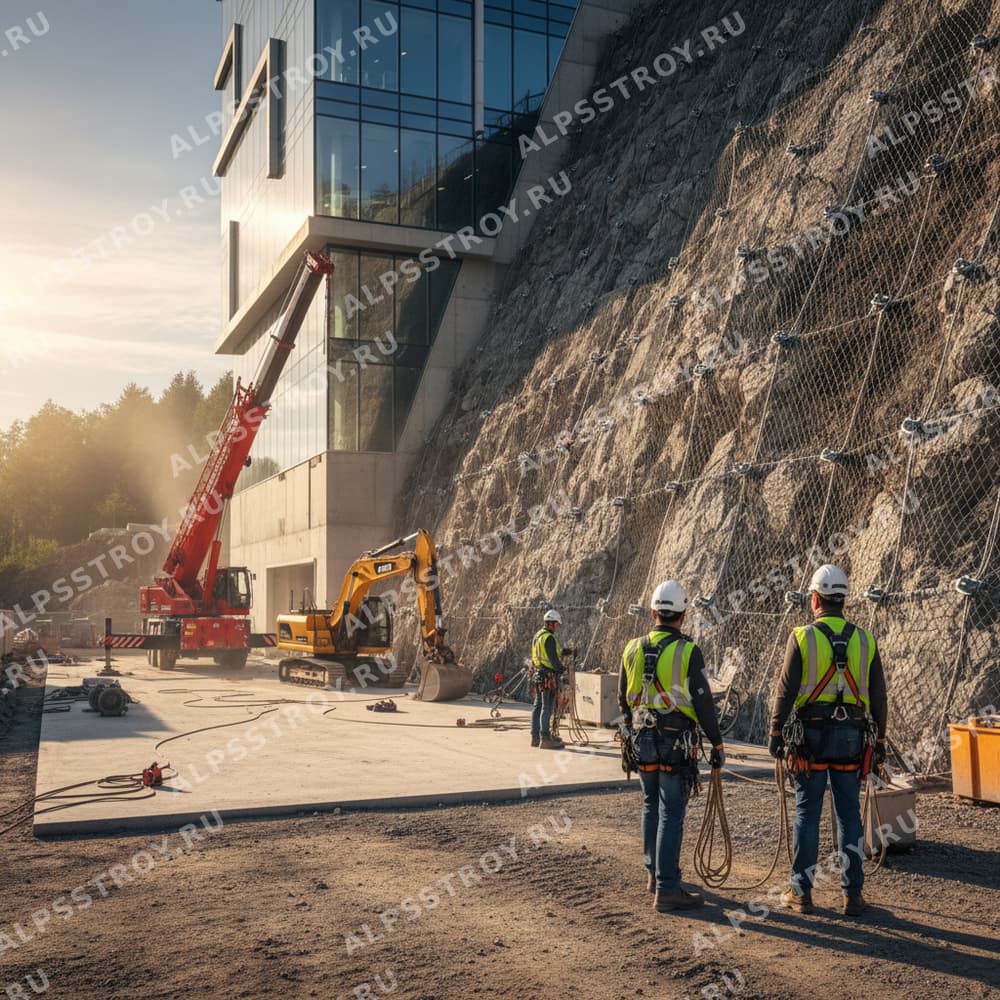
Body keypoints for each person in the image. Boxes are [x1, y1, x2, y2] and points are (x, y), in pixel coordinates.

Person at [768, 564, 888, 917]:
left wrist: (776, 734)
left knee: (807, 811)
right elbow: (879, 695)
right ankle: (853, 895)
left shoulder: (802, 637)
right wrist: (879, 740)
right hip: (852, 736)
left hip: (810, 737)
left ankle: (801, 894)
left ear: (815, 598)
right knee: (849, 814)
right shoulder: (865, 640)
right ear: (843, 600)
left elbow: (786, 691)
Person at [619, 580, 724, 911]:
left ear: (653, 613)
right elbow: (704, 702)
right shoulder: (689, 651)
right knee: (671, 812)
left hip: (641, 738)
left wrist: (628, 733)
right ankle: (666, 888)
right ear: (682, 615)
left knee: (651, 804)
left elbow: (623, 698)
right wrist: (717, 743)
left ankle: (654, 875)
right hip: (675, 741)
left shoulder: (632, 648)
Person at [531, 609, 567, 749]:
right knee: (547, 707)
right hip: (548, 676)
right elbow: (553, 660)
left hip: (539, 674)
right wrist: (563, 669)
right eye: (557, 624)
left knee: (538, 705)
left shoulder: (538, 635)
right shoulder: (549, 638)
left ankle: (535, 737)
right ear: (551, 623)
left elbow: (549, 653)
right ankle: (545, 738)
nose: (557, 626)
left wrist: (566, 652)